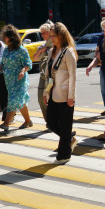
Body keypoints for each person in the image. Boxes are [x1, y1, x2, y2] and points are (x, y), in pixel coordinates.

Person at [42, 22, 78, 164]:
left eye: (54, 36)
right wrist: (46, 93)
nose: (52, 39)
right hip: (53, 93)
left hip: (65, 95)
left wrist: (71, 97)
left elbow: (73, 76)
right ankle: (69, 139)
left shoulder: (68, 52)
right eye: (51, 36)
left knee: (65, 125)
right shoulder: (52, 51)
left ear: (62, 35)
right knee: (51, 123)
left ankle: (64, 155)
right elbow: (48, 74)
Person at [0, 25, 34, 131]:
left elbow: (28, 64)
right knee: (20, 101)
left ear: (12, 37)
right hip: (9, 81)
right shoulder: (6, 50)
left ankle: (6, 123)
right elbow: (3, 63)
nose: (4, 39)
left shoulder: (22, 50)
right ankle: (28, 121)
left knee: (13, 101)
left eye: (6, 37)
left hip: (19, 80)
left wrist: (23, 70)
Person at [32, 21, 55, 121]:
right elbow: (35, 58)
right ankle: (48, 120)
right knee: (41, 98)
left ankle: (53, 121)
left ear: (50, 32)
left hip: (51, 78)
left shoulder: (55, 45)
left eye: (44, 32)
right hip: (43, 76)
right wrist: (40, 51)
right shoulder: (42, 46)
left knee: (51, 99)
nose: (42, 35)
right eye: (41, 33)